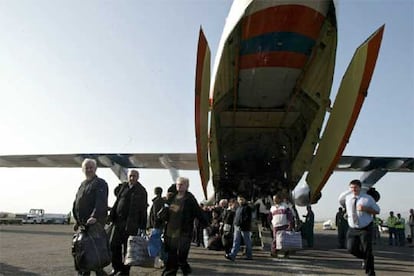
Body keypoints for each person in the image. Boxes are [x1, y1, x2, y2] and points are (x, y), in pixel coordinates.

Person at [162, 177, 208, 276]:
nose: (179, 186)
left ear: (187, 186)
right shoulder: (172, 197)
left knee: (181, 255)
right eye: (178, 184)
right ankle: (170, 272)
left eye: (182, 184)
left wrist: (206, 223)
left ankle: (185, 269)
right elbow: (166, 212)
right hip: (170, 230)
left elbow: (198, 212)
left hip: (184, 231)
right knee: (172, 254)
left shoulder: (190, 199)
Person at [72, 158, 109, 276]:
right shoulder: (82, 185)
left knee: (95, 254)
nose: (89, 170)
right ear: (83, 170)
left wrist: (94, 216)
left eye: (91, 167)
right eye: (86, 168)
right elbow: (76, 202)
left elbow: (101, 202)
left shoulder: (100, 183)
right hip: (83, 224)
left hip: (94, 224)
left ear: (95, 169)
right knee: (82, 253)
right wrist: (77, 220)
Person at [108, 169, 148, 276]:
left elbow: (143, 209)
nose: (132, 178)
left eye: (134, 176)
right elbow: (117, 202)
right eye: (130, 176)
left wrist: (143, 226)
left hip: (131, 225)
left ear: (137, 177)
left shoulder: (142, 191)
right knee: (113, 245)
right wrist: (111, 216)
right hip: (118, 222)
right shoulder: (124, 187)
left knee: (128, 249)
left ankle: (125, 272)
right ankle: (116, 268)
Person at [344, 179, 380, 276]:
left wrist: (365, 209)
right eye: (351, 187)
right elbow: (350, 209)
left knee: (367, 250)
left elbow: (377, 211)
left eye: (355, 187)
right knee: (351, 249)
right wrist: (348, 215)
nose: (353, 189)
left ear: (360, 188)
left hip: (365, 228)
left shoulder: (367, 198)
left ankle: (371, 273)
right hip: (352, 228)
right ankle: (366, 258)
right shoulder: (347, 198)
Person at [225, 194, 253, 261]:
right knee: (236, 242)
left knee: (247, 242)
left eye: (242, 199)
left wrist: (241, 224)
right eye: (239, 199)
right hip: (237, 227)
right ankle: (232, 255)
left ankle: (249, 255)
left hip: (244, 228)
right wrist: (235, 224)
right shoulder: (238, 208)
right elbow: (236, 217)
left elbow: (247, 218)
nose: (240, 201)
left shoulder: (247, 208)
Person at [270, 192, 294, 258]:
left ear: (280, 199)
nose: (274, 200)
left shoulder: (285, 206)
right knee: (275, 239)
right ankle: (274, 252)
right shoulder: (272, 208)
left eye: (276, 199)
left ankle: (286, 253)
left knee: (285, 240)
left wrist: (290, 224)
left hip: (284, 225)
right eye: (273, 199)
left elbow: (290, 216)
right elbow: (270, 217)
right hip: (276, 226)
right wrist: (270, 224)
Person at [148, 186, 167, 266]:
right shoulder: (162, 201)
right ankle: (164, 259)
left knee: (155, 244)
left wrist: (152, 225)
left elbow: (155, 215)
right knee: (160, 243)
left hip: (156, 225)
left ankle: (158, 261)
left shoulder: (156, 201)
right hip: (160, 225)